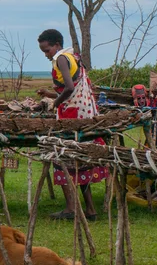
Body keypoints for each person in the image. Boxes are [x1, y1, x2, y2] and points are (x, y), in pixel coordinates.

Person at [36, 29, 108, 221]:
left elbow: (68, 88)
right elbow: (73, 90)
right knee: (81, 159)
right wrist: (49, 94)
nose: (46, 54)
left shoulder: (61, 59)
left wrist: (55, 103)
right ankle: (90, 209)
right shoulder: (73, 57)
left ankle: (71, 208)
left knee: (62, 158)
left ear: (56, 45)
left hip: (71, 116)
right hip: (83, 114)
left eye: (47, 50)